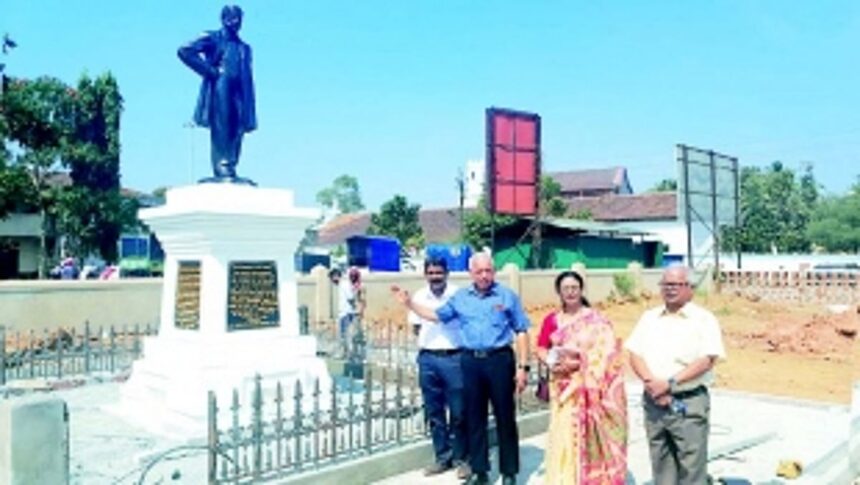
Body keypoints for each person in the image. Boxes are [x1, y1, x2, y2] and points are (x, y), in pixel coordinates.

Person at [393, 252, 530, 485]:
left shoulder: (507, 296)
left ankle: (509, 472)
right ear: (471, 273)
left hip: (499, 360)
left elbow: (522, 330)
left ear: (493, 272)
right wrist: (409, 303)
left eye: (488, 271)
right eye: (479, 271)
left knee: (505, 417)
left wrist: (523, 367)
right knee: (473, 417)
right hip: (470, 362)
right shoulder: (460, 298)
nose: (484, 276)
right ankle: (480, 471)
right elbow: (435, 316)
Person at [625, 265, 726, 485]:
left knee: (691, 466)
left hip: (687, 402)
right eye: (666, 284)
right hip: (654, 401)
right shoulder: (649, 317)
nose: (670, 289)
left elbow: (707, 360)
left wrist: (669, 384)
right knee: (661, 463)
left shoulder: (703, 319)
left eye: (676, 284)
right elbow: (634, 353)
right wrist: (653, 385)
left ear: (689, 288)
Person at [535, 270, 627, 485]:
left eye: (574, 288)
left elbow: (608, 353)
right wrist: (551, 362)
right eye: (565, 288)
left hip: (589, 389)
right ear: (559, 291)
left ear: (581, 289)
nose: (570, 292)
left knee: (588, 437)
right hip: (563, 388)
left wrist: (579, 364)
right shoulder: (552, 319)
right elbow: (541, 347)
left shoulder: (596, 320)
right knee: (564, 435)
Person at [178, 5, 257, 181]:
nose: (236, 22)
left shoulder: (245, 47)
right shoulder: (212, 37)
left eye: (239, 18)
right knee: (223, 125)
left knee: (238, 127)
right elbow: (184, 51)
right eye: (233, 18)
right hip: (221, 86)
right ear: (224, 19)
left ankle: (231, 166)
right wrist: (210, 71)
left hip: (241, 90)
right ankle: (222, 166)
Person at [408, 258, 469, 479]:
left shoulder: (457, 295)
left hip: (454, 358)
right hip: (428, 359)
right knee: (434, 412)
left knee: (459, 411)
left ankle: (463, 459)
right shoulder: (418, 296)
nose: (435, 276)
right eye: (431, 272)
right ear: (426, 274)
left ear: (447, 273)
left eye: (439, 272)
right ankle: (443, 457)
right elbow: (416, 327)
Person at [329, 267, 363, 356]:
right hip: (344, 313)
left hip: (346, 313)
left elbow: (350, 298)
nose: (332, 281)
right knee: (344, 335)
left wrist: (354, 308)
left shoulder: (344, 284)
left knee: (345, 335)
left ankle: (347, 353)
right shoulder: (342, 285)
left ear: (336, 276)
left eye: (332, 278)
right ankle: (345, 353)